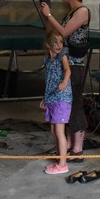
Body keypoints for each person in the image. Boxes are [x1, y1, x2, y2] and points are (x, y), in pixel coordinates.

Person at [39, 0, 91, 162]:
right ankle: (67, 145)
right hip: (64, 64)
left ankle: (78, 149)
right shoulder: (69, 13)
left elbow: (64, 33)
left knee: (75, 104)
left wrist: (50, 14)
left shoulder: (82, 11)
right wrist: (46, 15)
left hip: (74, 65)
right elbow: (54, 34)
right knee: (66, 105)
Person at [39, 31, 72, 175]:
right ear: (48, 44)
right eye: (55, 42)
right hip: (51, 98)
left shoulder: (62, 56)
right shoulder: (47, 60)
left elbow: (68, 70)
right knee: (53, 131)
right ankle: (60, 159)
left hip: (61, 98)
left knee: (59, 131)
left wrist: (64, 82)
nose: (59, 45)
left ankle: (63, 165)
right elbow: (48, 81)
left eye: (61, 42)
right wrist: (45, 98)